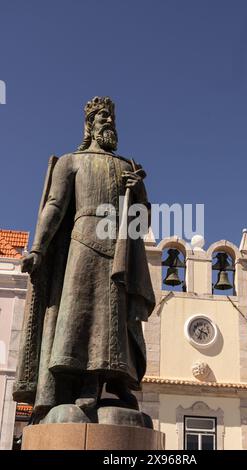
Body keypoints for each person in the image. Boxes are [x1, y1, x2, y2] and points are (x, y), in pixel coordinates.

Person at [13, 97, 155, 422]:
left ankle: (106, 381)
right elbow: (54, 206)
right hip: (81, 243)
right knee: (79, 313)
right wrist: (39, 247)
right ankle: (73, 384)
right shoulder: (70, 161)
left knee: (114, 318)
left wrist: (141, 194)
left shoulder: (127, 166)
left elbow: (140, 223)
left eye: (112, 117)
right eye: (102, 116)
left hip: (118, 249)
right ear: (89, 124)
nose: (109, 122)